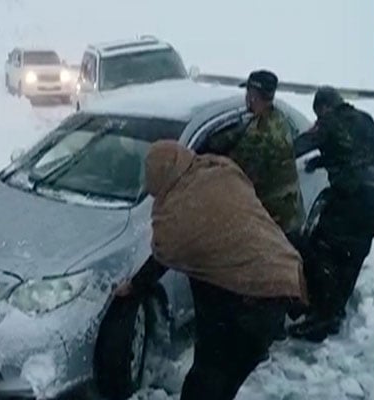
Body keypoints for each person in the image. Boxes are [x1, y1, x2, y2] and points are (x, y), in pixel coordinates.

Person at [116, 140, 308, 400]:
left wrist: (134, 286)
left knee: (207, 379)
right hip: (282, 280)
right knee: (227, 378)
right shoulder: (219, 169)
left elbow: (165, 253)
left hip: (246, 305)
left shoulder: (181, 210)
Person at [288, 86, 374, 342]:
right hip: (373, 202)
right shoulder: (366, 119)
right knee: (353, 259)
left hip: (350, 201)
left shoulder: (328, 123)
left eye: (318, 113)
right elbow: (360, 153)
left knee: (323, 251)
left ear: (324, 108)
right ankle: (335, 312)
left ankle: (322, 319)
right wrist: (325, 160)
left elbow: (295, 148)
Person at [201, 69, 304, 241]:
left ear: (254, 96)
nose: (246, 97)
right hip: (288, 212)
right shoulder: (276, 117)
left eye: (248, 92)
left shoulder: (260, 136)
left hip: (274, 223)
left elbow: (231, 172)